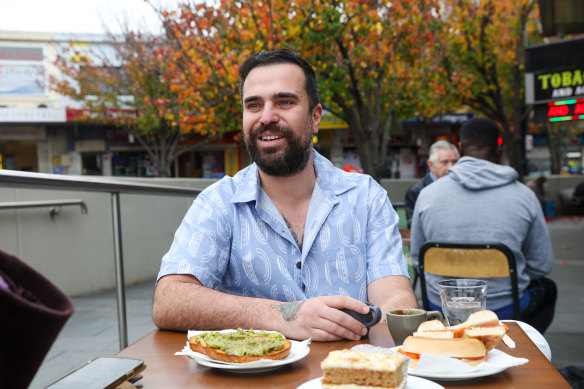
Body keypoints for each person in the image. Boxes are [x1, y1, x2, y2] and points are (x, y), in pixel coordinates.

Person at [152, 49, 417, 342]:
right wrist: (284, 316)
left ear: (315, 117)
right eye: (254, 105)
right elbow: (169, 300)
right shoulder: (217, 203)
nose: (266, 117)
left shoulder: (366, 197)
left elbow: (396, 303)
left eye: (284, 102)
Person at [410, 117, 557, 334]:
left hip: (441, 307)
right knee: (548, 290)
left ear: (460, 148)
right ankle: (522, 344)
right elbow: (541, 265)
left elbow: (417, 260)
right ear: (499, 149)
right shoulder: (524, 196)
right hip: (504, 309)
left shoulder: (427, 195)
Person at [404, 140, 459, 228]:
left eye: (454, 162)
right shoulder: (416, 191)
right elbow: (413, 225)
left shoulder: (461, 186)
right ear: (431, 165)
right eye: (445, 162)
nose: (451, 167)